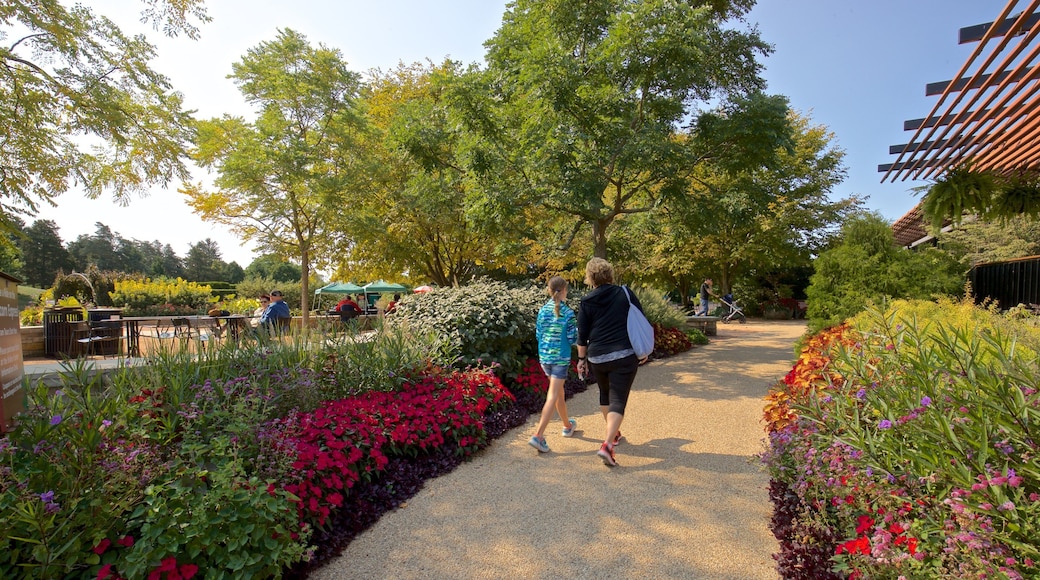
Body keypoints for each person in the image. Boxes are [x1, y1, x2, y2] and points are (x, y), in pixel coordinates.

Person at [576, 257, 647, 467]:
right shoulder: (624, 293)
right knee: (618, 399)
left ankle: (613, 434)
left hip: (597, 356)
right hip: (624, 354)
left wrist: (581, 359)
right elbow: (640, 318)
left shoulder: (587, 301)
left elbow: (582, 334)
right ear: (610, 274)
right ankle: (607, 445)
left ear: (590, 277)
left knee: (605, 394)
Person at [528, 277, 578, 453]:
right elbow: (573, 338)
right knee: (553, 395)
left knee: (558, 394)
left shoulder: (542, 311)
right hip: (560, 359)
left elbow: (538, 335)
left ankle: (567, 425)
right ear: (564, 290)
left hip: (545, 359)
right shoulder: (568, 313)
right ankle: (538, 436)